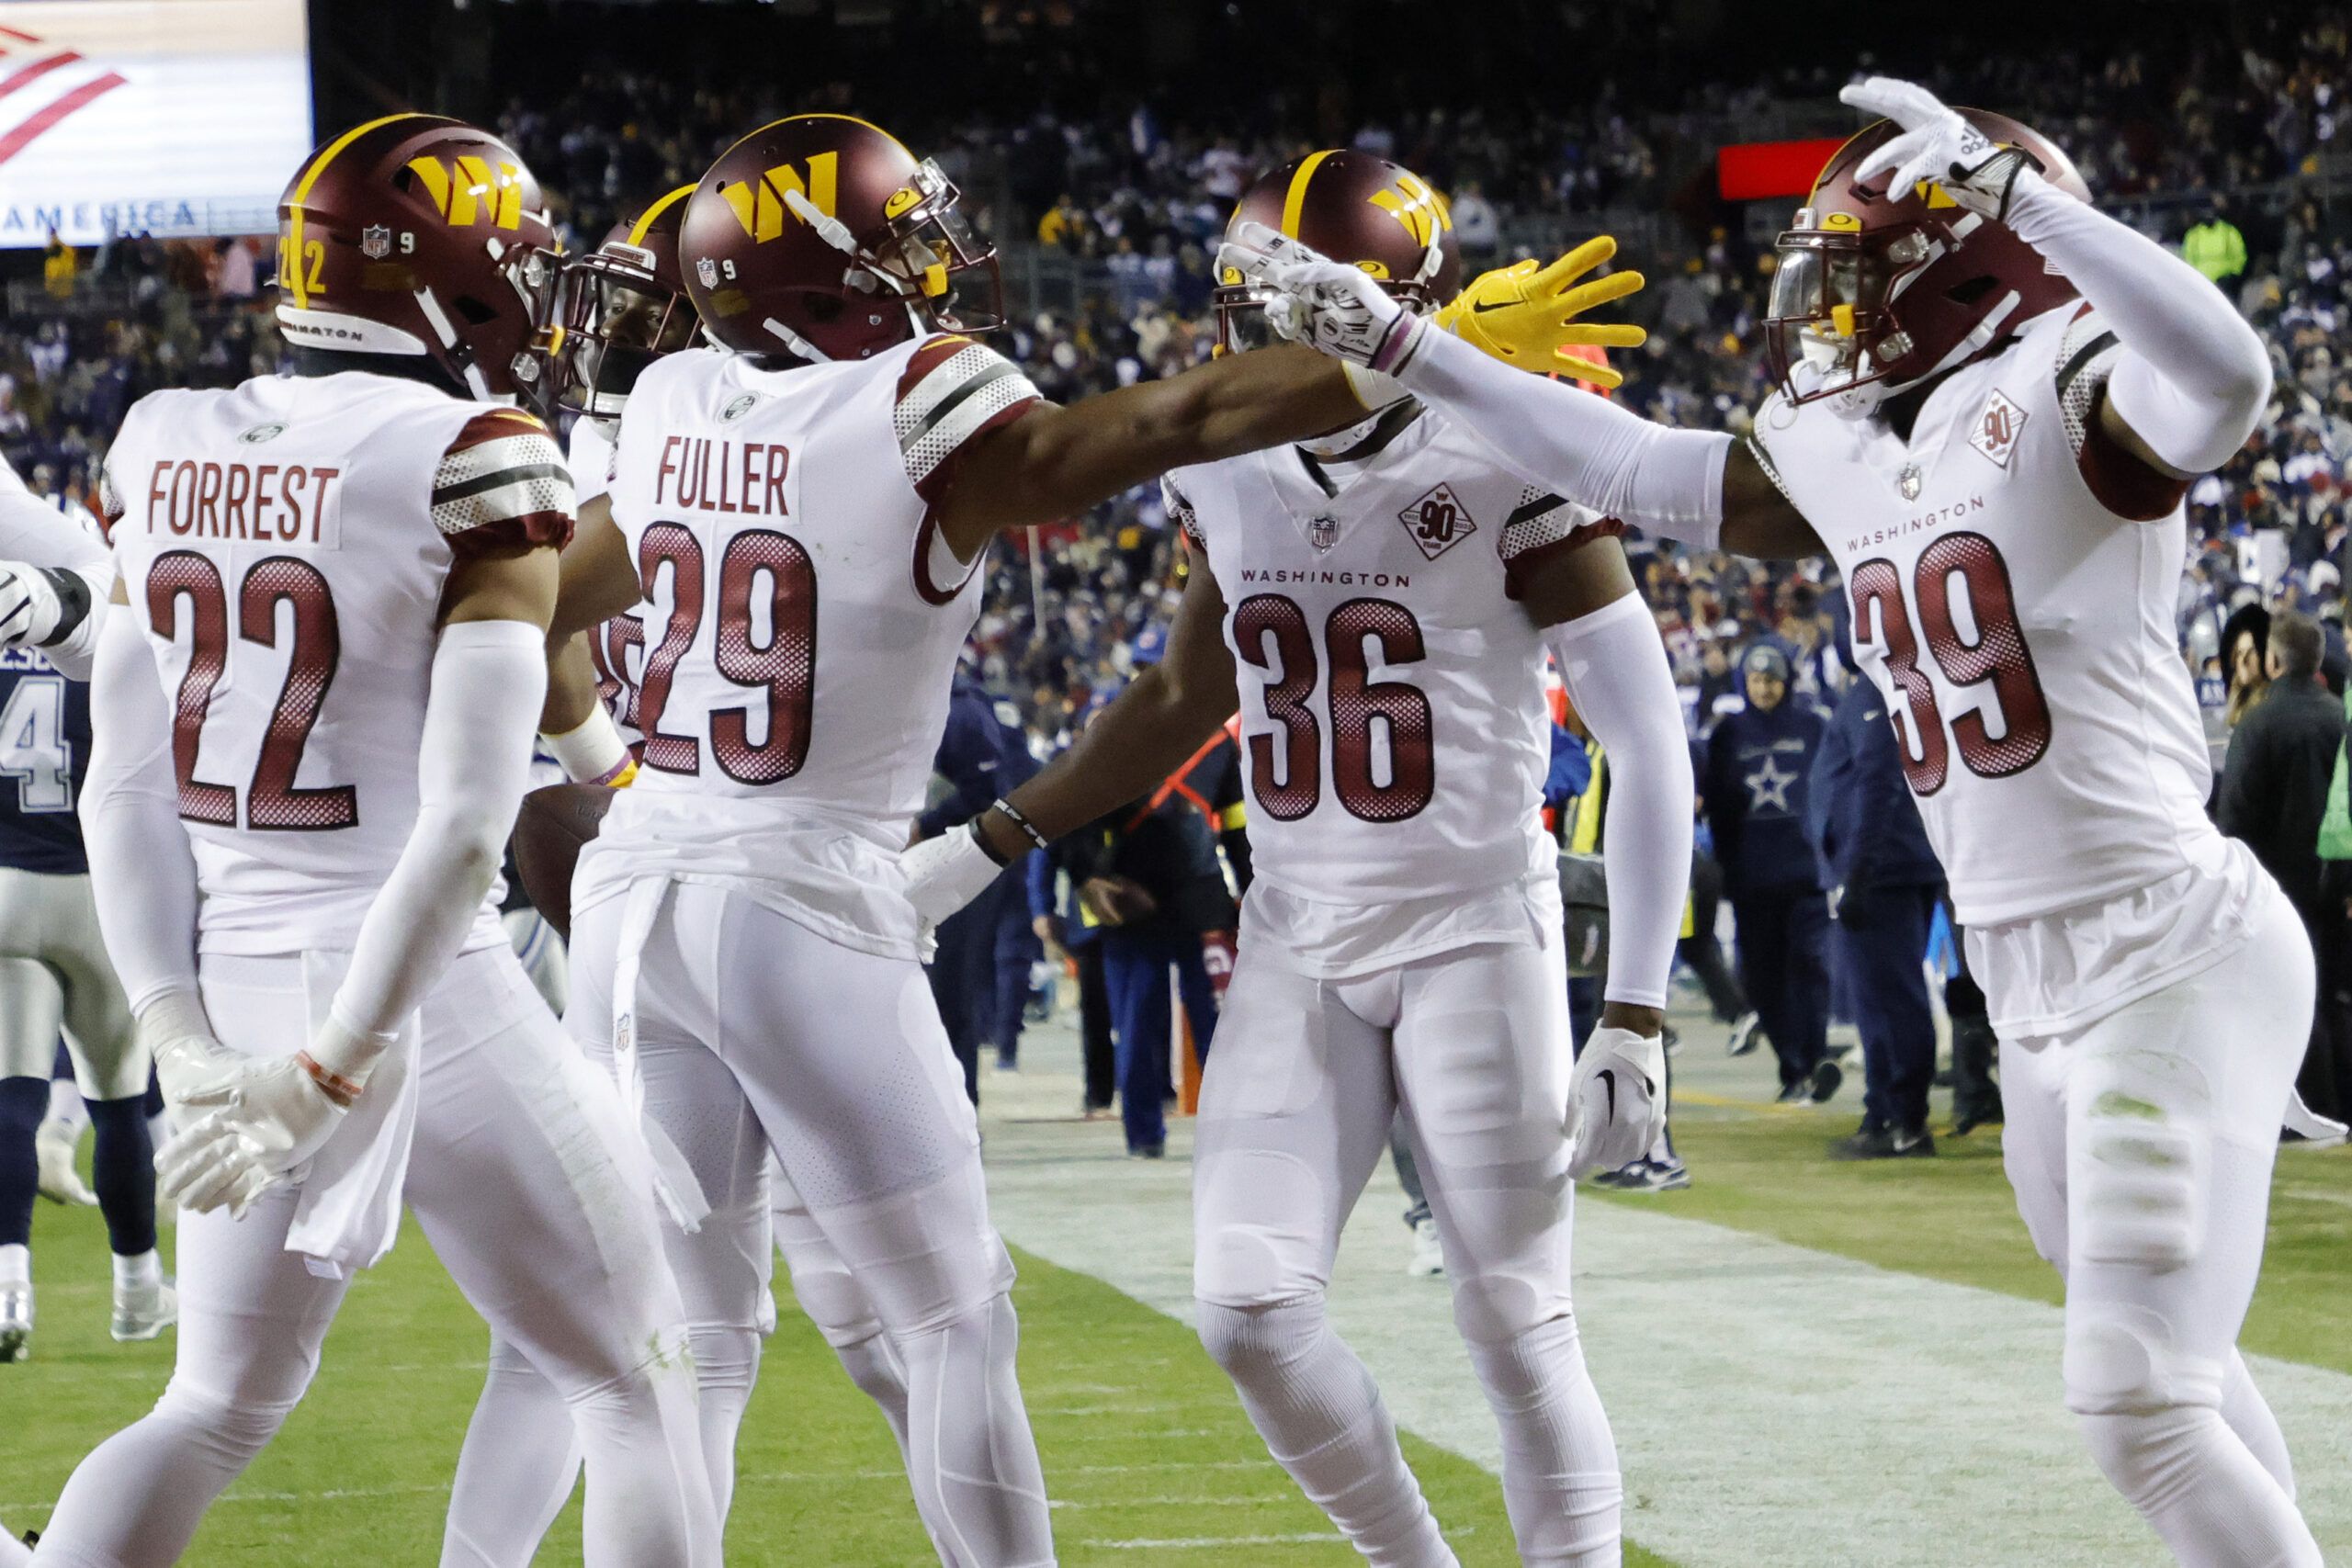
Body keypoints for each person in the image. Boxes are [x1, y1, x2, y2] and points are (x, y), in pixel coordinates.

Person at [1246, 73, 2322, 1565]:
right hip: (2041, 993)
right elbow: (1630, 468)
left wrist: (2038, 211)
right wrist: (1408, 351)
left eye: (1864, 269)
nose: (1830, 306)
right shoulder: (1852, 441)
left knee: (2136, 1400)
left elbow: (2235, 378)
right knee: (2181, 1382)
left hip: (2169, 952)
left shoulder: (2076, 377)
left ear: (1977, 263)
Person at [536, 112, 1386, 1561]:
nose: (934, 260)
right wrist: (1413, 354)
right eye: (903, 234)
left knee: (691, 1347)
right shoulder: (924, 393)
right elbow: (1166, 425)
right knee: (953, 1318)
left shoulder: (672, 389)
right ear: (830, 273)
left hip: (636, 895)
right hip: (803, 894)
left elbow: (553, 600)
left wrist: (597, 770)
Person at [910, 151, 1687, 1567]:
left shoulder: (1512, 441)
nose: (1263, 335)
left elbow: (1649, 732)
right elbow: (1181, 696)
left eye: (1299, 305)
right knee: (1249, 1312)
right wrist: (989, 839)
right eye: (1251, 303)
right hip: (1297, 925)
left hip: (1469, 920)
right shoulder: (1224, 458)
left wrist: (1634, 1006)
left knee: (1517, 1317)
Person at [38, 115, 720, 1567]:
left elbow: (126, 784)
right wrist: (339, 1062)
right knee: (639, 1370)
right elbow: (472, 819)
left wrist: (180, 1034)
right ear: (455, 283)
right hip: (412, 984)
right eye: (520, 266)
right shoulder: (474, 449)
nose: (540, 298)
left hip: (238, 980)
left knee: (217, 1397)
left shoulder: (160, 437)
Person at [0, 466, 168, 1364]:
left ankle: (7, 1283)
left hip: (4, 889)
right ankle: (138, 1294)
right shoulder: (123, 638)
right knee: (116, 1100)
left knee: (13, 1097)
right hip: (93, 891)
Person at [2216, 610, 2350, 1123]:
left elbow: (2236, 820)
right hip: (2336, 886)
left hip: (2277, 890)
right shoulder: (2340, 716)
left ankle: (2311, 1110)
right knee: (2336, 995)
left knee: (2289, 1005)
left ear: (2272, 660)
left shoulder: (2258, 723)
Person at [1808, 677, 1944, 1156]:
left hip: (1883, 870)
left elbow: (1878, 781)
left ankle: (1903, 1120)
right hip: (1886, 865)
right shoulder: (1875, 692)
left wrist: (1858, 873)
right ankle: (1885, 1112)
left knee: (1891, 999)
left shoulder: (1877, 694)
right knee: (1878, 1000)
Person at [1704, 645, 1840, 1104]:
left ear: (1787, 680)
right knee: (1762, 977)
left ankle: (1814, 1058)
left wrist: (1832, 856)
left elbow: (1831, 793)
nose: (1764, 688)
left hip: (1805, 875)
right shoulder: (1727, 735)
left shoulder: (1813, 727)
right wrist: (1726, 869)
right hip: (1751, 880)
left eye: (1772, 679)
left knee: (1810, 967)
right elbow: (1718, 809)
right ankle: (1791, 1066)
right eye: (1756, 680)